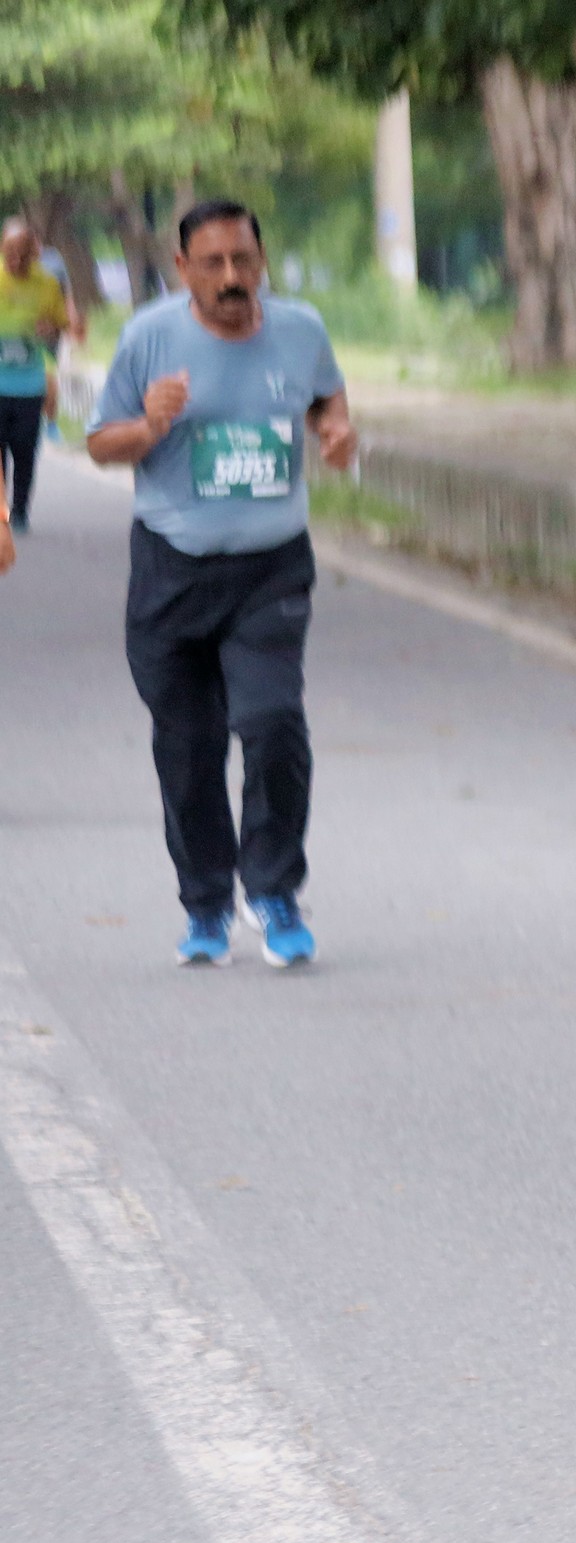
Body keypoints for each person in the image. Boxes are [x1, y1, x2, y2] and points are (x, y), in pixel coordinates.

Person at [87, 199, 352, 970]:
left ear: (262, 260)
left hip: (270, 565)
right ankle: (205, 900)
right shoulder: (148, 338)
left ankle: (273, 889)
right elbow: (101, 442)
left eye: (244, 260)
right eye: (213, 263)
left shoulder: (300, 329)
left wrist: (335, 429)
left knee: (272, 722)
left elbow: (325, 395)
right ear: (183, 269)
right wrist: (149, 426)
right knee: (188, 745)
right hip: (172, 569)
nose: (232, 277)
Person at [0, 218, 80, 530]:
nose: (16, 262)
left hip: (29, 385)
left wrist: (51, 329)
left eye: (23, 255)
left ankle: (20, 510)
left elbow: (63, 324)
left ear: (34, 253)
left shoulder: (46, 284)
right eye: (10, 255)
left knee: (24, 451)